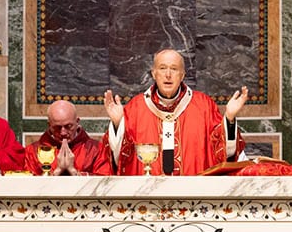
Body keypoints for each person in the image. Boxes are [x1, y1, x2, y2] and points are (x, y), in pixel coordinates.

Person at [103, 49, 247, 175]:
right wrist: (117, 124)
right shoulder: (136, 108)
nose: (168, 74)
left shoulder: (203, 106)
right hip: (148, 194)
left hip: (193, 193)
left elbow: (223, 153)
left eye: (174, 69)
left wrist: (229, 118)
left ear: (182, 75)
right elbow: (119, 159)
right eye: (162, 68)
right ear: (154, 73)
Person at [24, 100, 111, 176]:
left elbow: (106, 183)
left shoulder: (96, 150)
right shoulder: (33, 151)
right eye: (57, 127)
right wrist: (57, 171)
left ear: (77, 122)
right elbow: (26, 184)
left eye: (68, 126)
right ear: (49, 125)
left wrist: (73, 172)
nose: (63, 133)